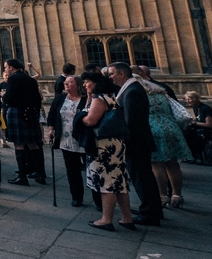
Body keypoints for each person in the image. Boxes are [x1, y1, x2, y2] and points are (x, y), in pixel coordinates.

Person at [76, 71, 133, 231]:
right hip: (115, 143)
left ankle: (106, 219)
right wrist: (88, 97)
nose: (85, 84)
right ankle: (127, 218)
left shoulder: (99, 99)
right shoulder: (109, 97)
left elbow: (90, 120)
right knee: (119, 182)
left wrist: (80, 117)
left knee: (105, 182)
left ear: (95, 83)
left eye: (87, 82)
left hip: (104, 145)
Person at [109, 62, 163, 226]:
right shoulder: (130, 88)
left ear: (122, 74)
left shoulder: (132, 91)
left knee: (141, 177)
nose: (110, 77)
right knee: (142, 176)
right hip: (137, 141)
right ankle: (150, 209)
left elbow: (130, 121)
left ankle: (150, 214)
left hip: (135, 142)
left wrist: (123, 140)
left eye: (112, 74)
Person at [137, 72, 191, 209]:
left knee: (157, 165)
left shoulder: (140, 95)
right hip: (171, 128)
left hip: (153, 129)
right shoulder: (161, 94)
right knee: (172, 164)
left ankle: (162, 196)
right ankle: (177, 195)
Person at [2, 59, 46, 186]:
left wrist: (3, 96)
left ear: (11, 67)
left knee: (19, 145)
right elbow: (38, 99)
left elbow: (10, 97)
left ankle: (22, 176)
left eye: (6, 67)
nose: (5, 69)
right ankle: (40, 174)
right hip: (31, 113)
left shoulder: (13, 79)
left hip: (17, 113)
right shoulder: (30, 79)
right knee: (34, 144)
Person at [47, 74, 88, 207]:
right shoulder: (60, 98)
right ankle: (77, 197)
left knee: (91, 169)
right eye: (65, 82)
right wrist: (51, 129)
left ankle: (98, 199)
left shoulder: (86, 99)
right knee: (72, 170)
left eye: (69, 82)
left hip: (82, 139)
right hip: (65, 139)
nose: (66, 84)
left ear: (78, 85)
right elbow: (52, 114)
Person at [184, 91, 212, 162]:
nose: (187, 101)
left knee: (192, 136)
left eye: (189, 99)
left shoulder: (205, 108)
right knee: (186, 131)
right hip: (203, 129)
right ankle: (191, 155)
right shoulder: (195, 108)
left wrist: (194, 123)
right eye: (186, 99)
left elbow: (209, 125)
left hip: (211, 131)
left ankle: (196, 156)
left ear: (195, 99)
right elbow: (198, 119)